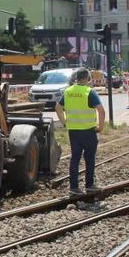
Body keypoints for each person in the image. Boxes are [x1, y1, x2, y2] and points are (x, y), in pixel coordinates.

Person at [55, 68, 106, 196]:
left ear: (76, 78)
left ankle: (74, 187)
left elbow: (58, 108)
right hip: (88, 131)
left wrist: (65, 122)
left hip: (73, 131)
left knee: (75, 158)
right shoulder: (89, 92)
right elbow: (101, 110)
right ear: (87, 78)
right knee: (89, 159)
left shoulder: (68, 92)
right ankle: (89, 185)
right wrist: (100, 126)